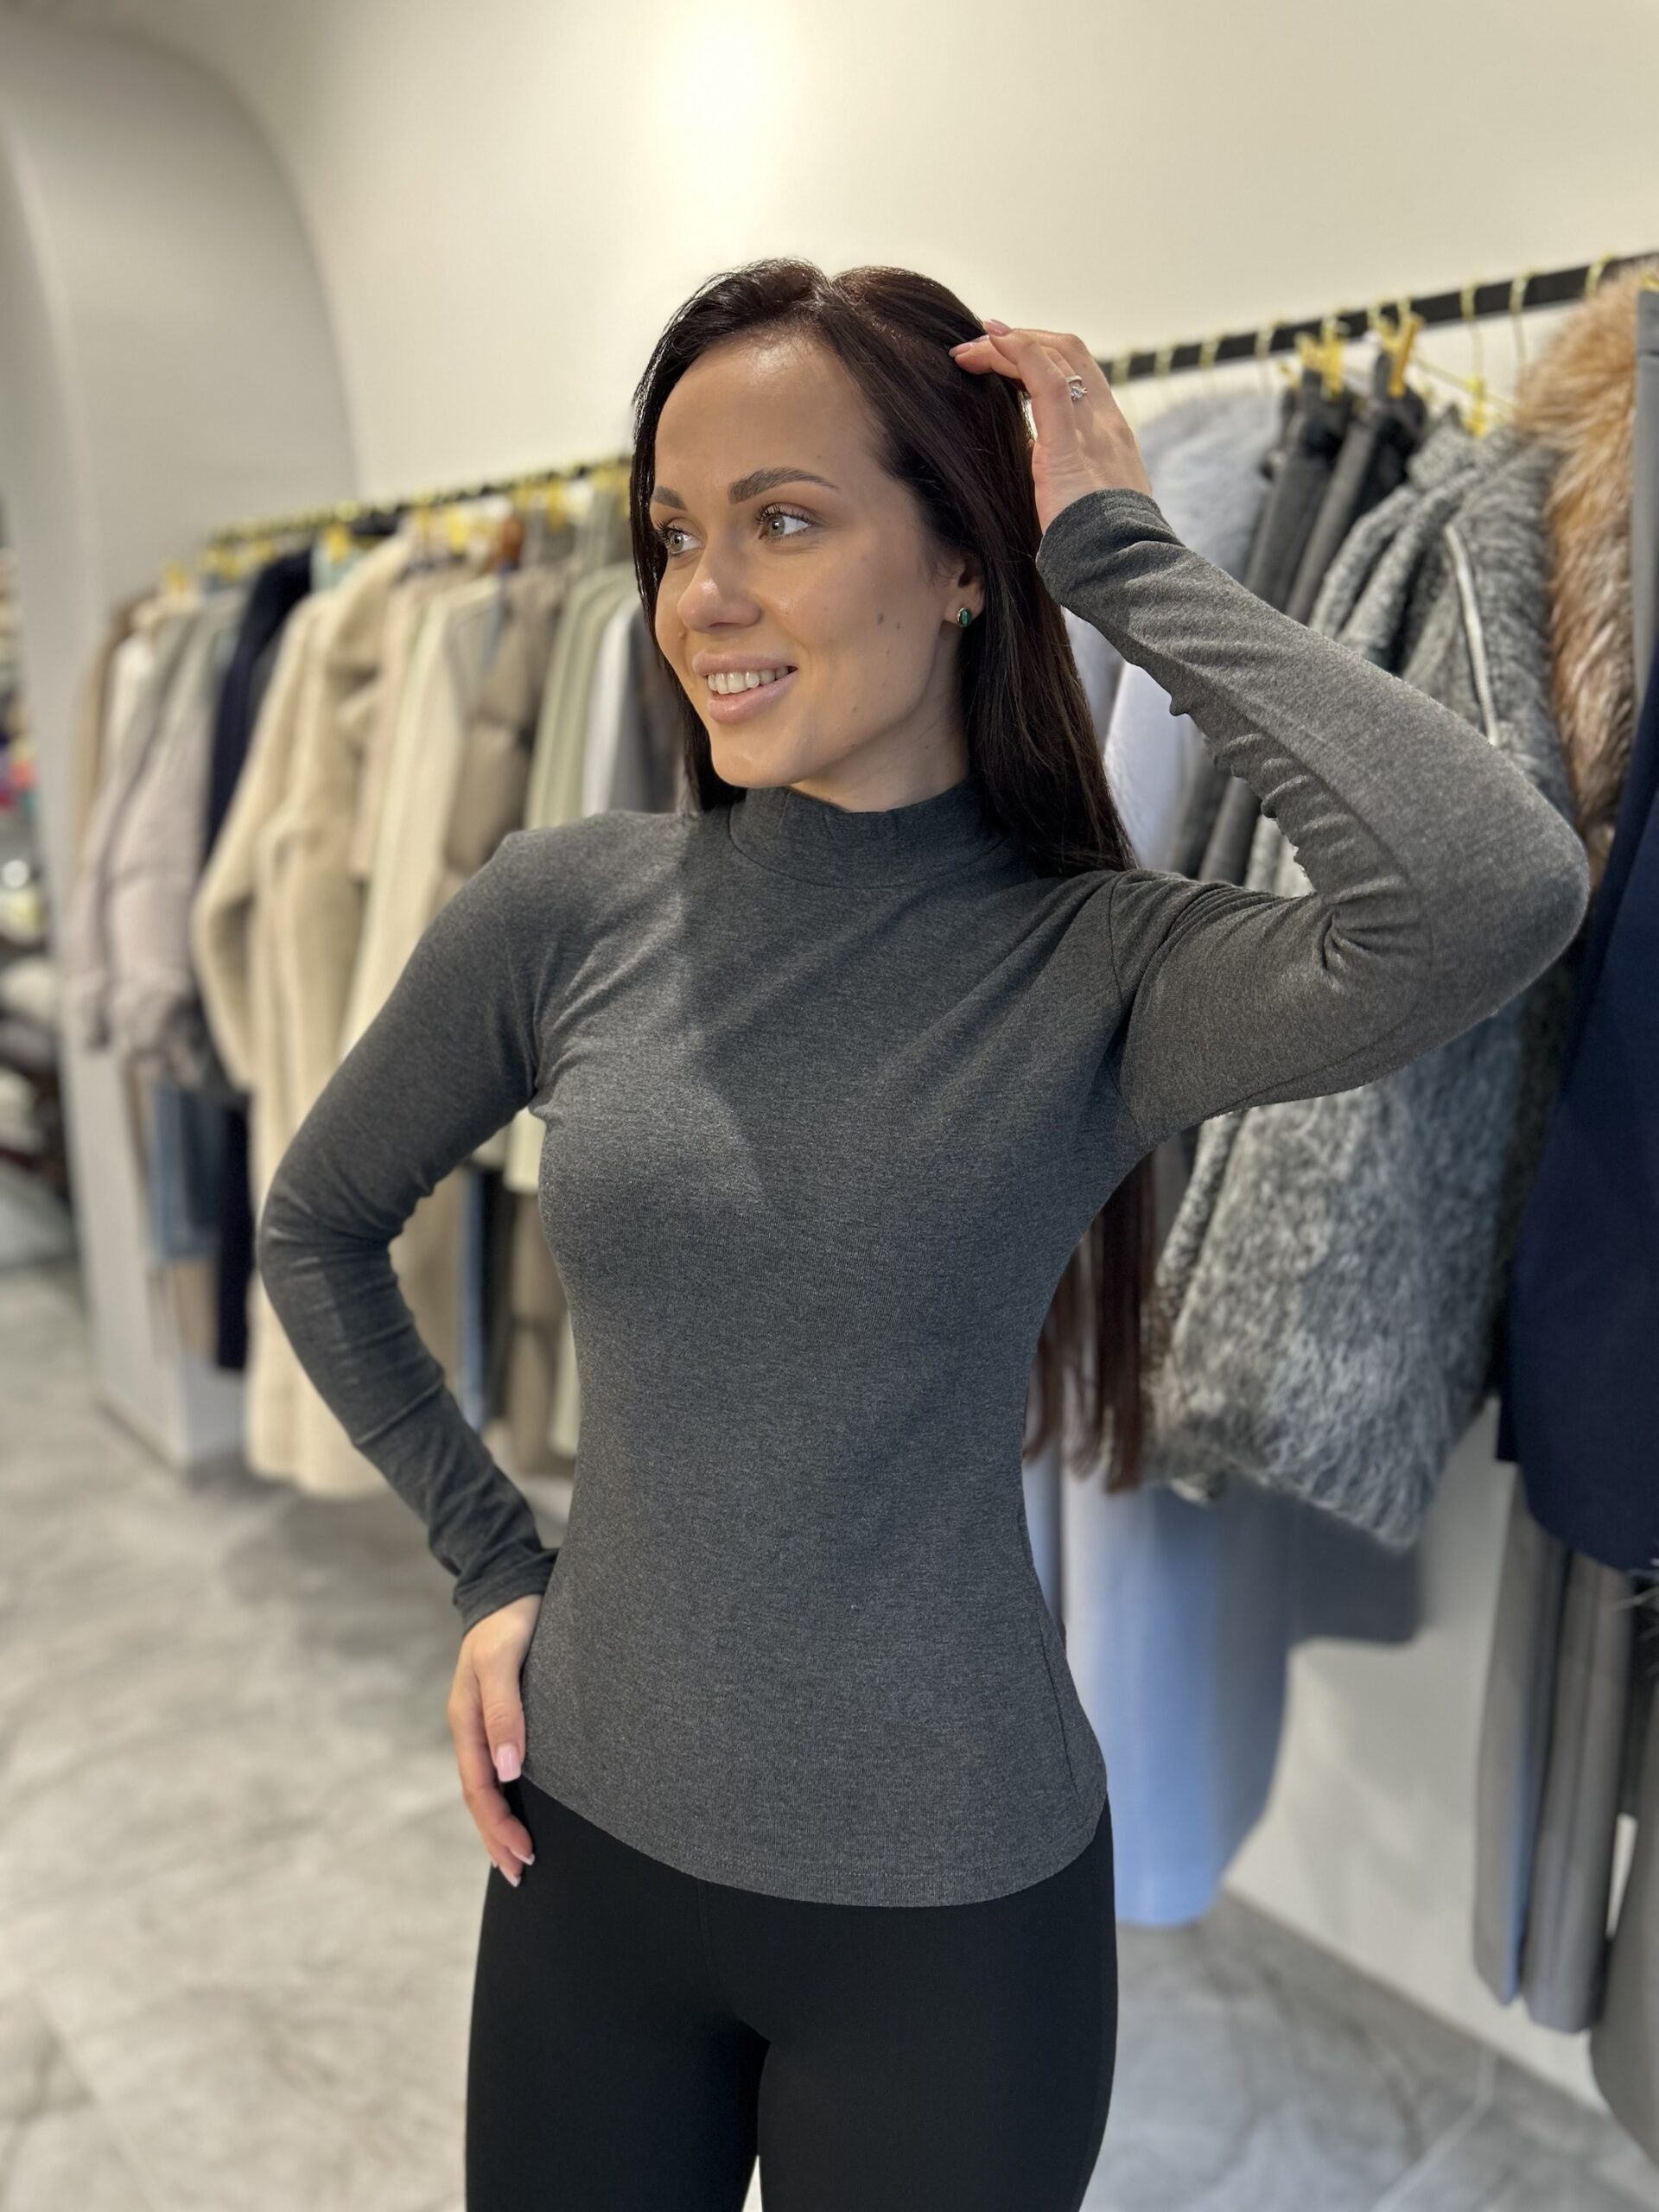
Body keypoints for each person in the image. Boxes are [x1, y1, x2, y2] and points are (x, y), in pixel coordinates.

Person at [254, 258, 1591, 2210]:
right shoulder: (569, 909)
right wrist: (486, 1559)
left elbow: (1493, 888)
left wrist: (1121, 560)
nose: (704, 595)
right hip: (585, 1851)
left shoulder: (1102, 967)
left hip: (949, 1915)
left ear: (966, 562)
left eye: (784, 521)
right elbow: (318, 1223)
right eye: (676, 533)